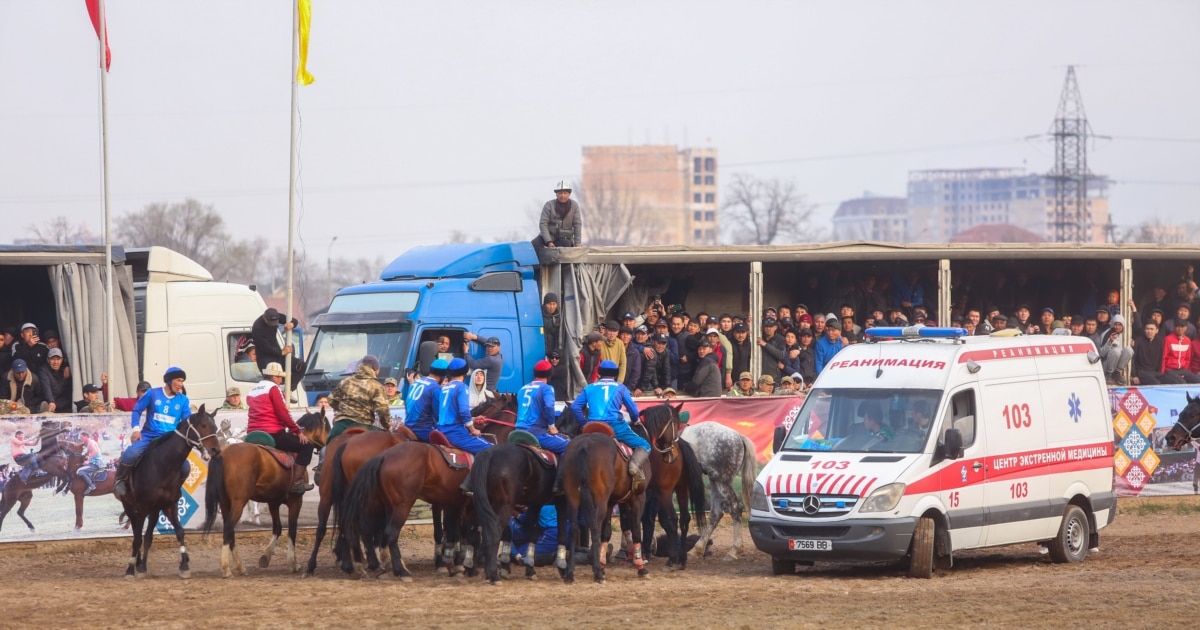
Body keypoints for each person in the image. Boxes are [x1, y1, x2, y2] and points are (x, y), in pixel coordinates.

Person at [114, 367, 192, 500]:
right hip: (149, 436)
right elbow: (137, 410)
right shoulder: (152, 393)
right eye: (179, 380)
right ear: (169, 380)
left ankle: (175, 489)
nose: (181, 385)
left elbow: (187, 422)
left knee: (185, 467)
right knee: (131, 453)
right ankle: (120, 481)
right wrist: (136, 429)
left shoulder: (183, 400)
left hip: (169, 440)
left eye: (182, 381)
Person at [569, 360, 649, 487]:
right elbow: (633, 410)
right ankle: (633, 467)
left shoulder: (589, 387)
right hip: (615, 426)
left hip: (592, 427)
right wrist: (635, 419)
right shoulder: (621, 388)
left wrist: (585, 423)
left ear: (599, 373)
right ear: (615, 374)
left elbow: (574, 407)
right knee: (644, 444)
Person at [247, 362, 315, 492]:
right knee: (307, 446)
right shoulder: (273, 388)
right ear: (274, 377)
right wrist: (297, 431)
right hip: (272, 432)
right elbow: (283, 414)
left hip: (252, 432)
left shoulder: (252, 390)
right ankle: (296, 482)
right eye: (279, 377)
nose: (281, 380)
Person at [327, 354, 392, 441]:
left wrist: (342, 409)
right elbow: (383, 410)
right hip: (363, 425)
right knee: (388, 443)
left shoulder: (345, 382)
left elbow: (331, 399)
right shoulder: (377, 386)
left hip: (340, 426)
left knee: (326, 448)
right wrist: (387, 426)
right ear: (376, 370)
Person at [515, 360, 569, 455]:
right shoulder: (547, 388)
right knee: (570, 446)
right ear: (549, 374)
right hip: (536, 433)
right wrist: (551, 427)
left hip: (518, 432)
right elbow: (549, 406)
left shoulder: (522, 389)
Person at [251, 308, 305, 392]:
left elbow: (294, 320)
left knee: (301, 366)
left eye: (274, 323)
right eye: (270, 323)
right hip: (265, 358)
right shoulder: (257, 328)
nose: (272, 325)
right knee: (273, 377)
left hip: (278, 355)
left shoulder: (277, 316)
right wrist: (282, 352)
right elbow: (265, 348)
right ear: (265, 318)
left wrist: (292, 324)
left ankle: (289, 390)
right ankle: (276, 392)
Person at [404, 358, 445, 442]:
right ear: (443, 376)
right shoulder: (436, 388)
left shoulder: (415, 382)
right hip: (423, 430)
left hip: (407, 424)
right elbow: (439, 415)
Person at [534, 180, 583, 250]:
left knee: (566, 245)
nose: (562, 195)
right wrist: (549, 241)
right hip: (549, 236)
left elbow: (577, 224)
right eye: (560, 193)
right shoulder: (549, 205)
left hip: (564, 238)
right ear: (556, 194)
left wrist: (577, 242)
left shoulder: (574, 205)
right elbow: (543, 224)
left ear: (569, 194)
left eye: (565, 193)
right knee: (534, 244)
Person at [38, 348, 72, 413]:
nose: (55, 362)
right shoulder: (43, 370)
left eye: (58, 359)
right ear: (48, 360)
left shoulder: (65, 370)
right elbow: (46, 387)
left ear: (62, 360)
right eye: (52, 359)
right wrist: (51, 401)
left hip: (64, 404)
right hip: (50, 403)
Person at [75, 430, 105, 495]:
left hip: (96, 463)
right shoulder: (90, 443)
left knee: (79, 471)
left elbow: (95, 452)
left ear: (86, 436)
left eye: (82, 437)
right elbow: (88, 453)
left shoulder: (90, 442)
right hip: (95, 462)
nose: (80, 438)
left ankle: (91, 485)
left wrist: (88, 460)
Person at [542, 293, 562, 358]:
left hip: (554, 353)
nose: (552, 307)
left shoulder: (560, 317)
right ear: (545, 305)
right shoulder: (539, 315)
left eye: (554, 304)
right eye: (549, 304)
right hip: (541, 351)